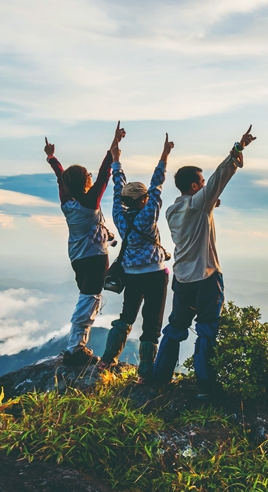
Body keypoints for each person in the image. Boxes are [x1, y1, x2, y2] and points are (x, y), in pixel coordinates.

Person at [152, 126, 256, 398]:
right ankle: (207, 386)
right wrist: (237, 150)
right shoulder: (199, 204)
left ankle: (159, 377)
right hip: (206, 277)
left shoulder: (173, 210)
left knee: (175, 328)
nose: (205, 183)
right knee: (207, 330)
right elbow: (219, 179)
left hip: (182, 279)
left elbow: (200, 204)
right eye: (201, 181)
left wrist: (211, 203)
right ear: (195, 186)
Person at [45, 122, 125, 366]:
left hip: (77, 257)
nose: (91, 176)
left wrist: (52, 158)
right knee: (90, 299)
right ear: (84, 181)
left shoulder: (66, 201)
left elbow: (61, 177)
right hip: (94, 258)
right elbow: (104, 175)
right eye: (87, 175)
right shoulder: (89, 202)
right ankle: (75, 347)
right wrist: (113, 150)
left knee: (88, 296)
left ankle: (77, 345)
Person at [98, 133, 174, 383]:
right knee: (152, 324)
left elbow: (117, 187)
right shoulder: (148, 215)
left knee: (126, 316)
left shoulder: (119, 217)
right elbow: (157, 185)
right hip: (154, 275)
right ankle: (145, 373)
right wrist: (164, 156)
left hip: (131, 275)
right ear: (143, 201)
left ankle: (107, 360)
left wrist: (116, 159)